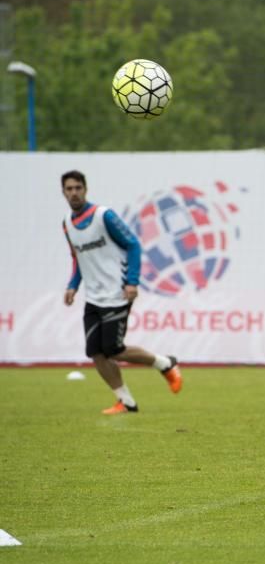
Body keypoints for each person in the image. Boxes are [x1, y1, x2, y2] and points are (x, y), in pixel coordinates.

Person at [60, 170, 183, 414]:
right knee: (95, 353)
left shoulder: (103, 216)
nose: (74, 193)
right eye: (69, 189)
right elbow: (78, 259)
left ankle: (164, 363)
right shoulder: (66, 223)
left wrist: (132, 282)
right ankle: (126, 401)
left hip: (117, 293)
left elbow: (133, 244)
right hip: (93, 297)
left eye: (78, 188)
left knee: (114, 350)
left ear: (85, 189)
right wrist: (73, 285)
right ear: (63, 192)